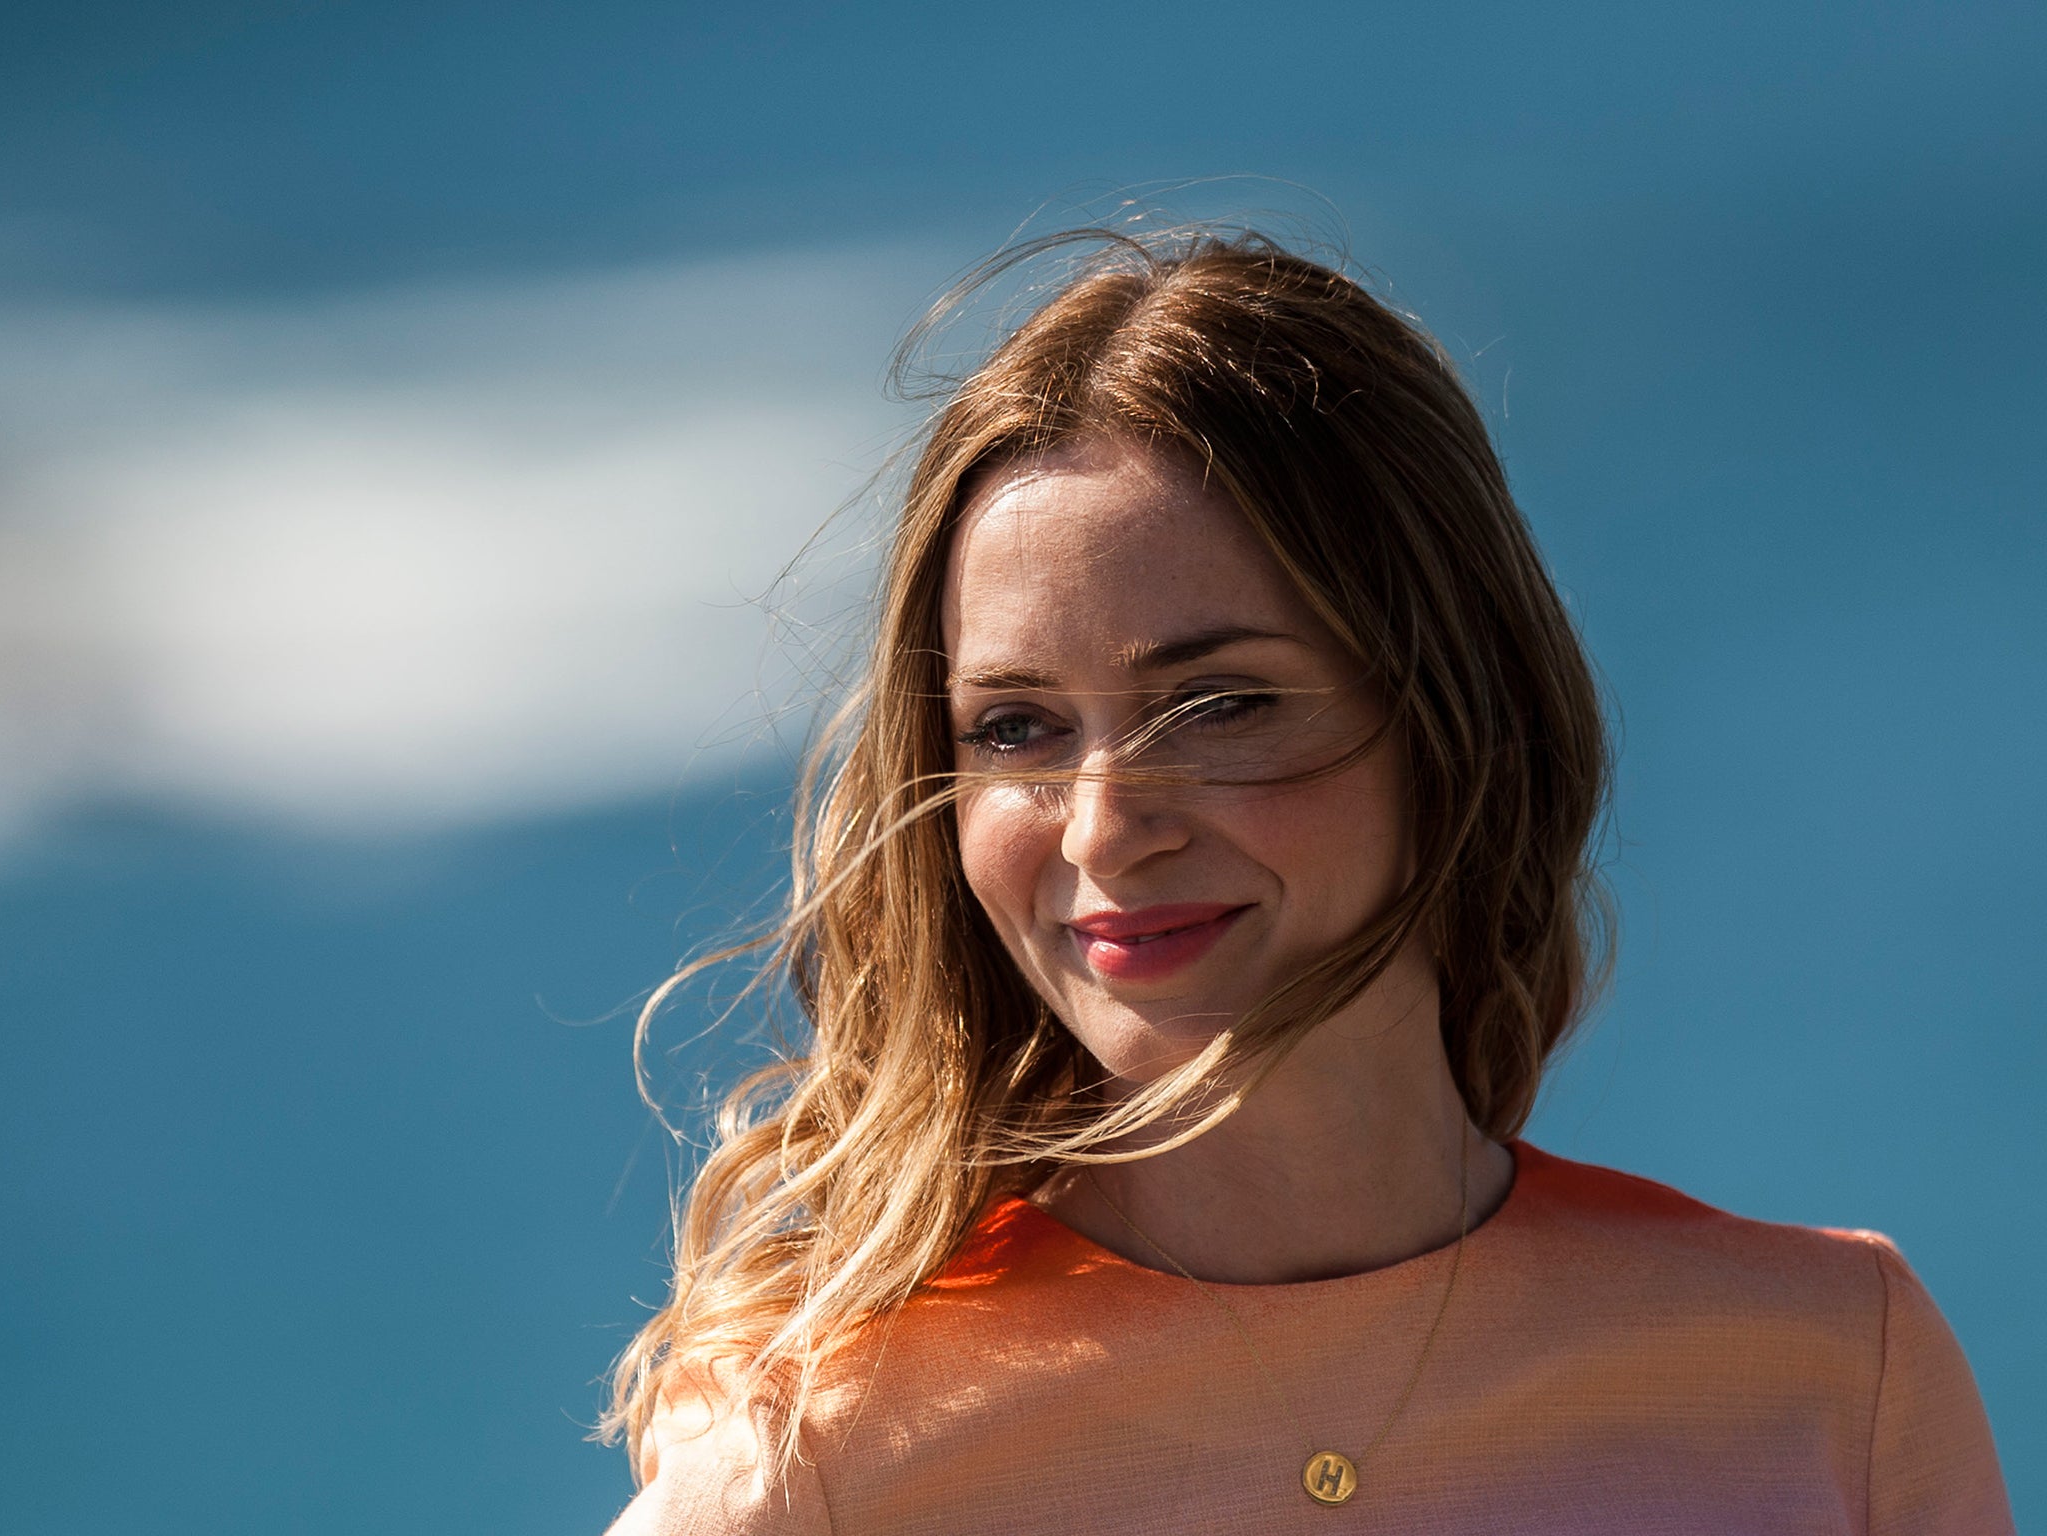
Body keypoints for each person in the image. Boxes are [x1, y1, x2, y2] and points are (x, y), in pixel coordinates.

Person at [602, 229, 2013, 1534]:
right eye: (1016, 729)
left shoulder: (1833, 1374)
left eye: (1217, 705)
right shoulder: (807, 1465)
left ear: (1460, 717)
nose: (1101, 828)